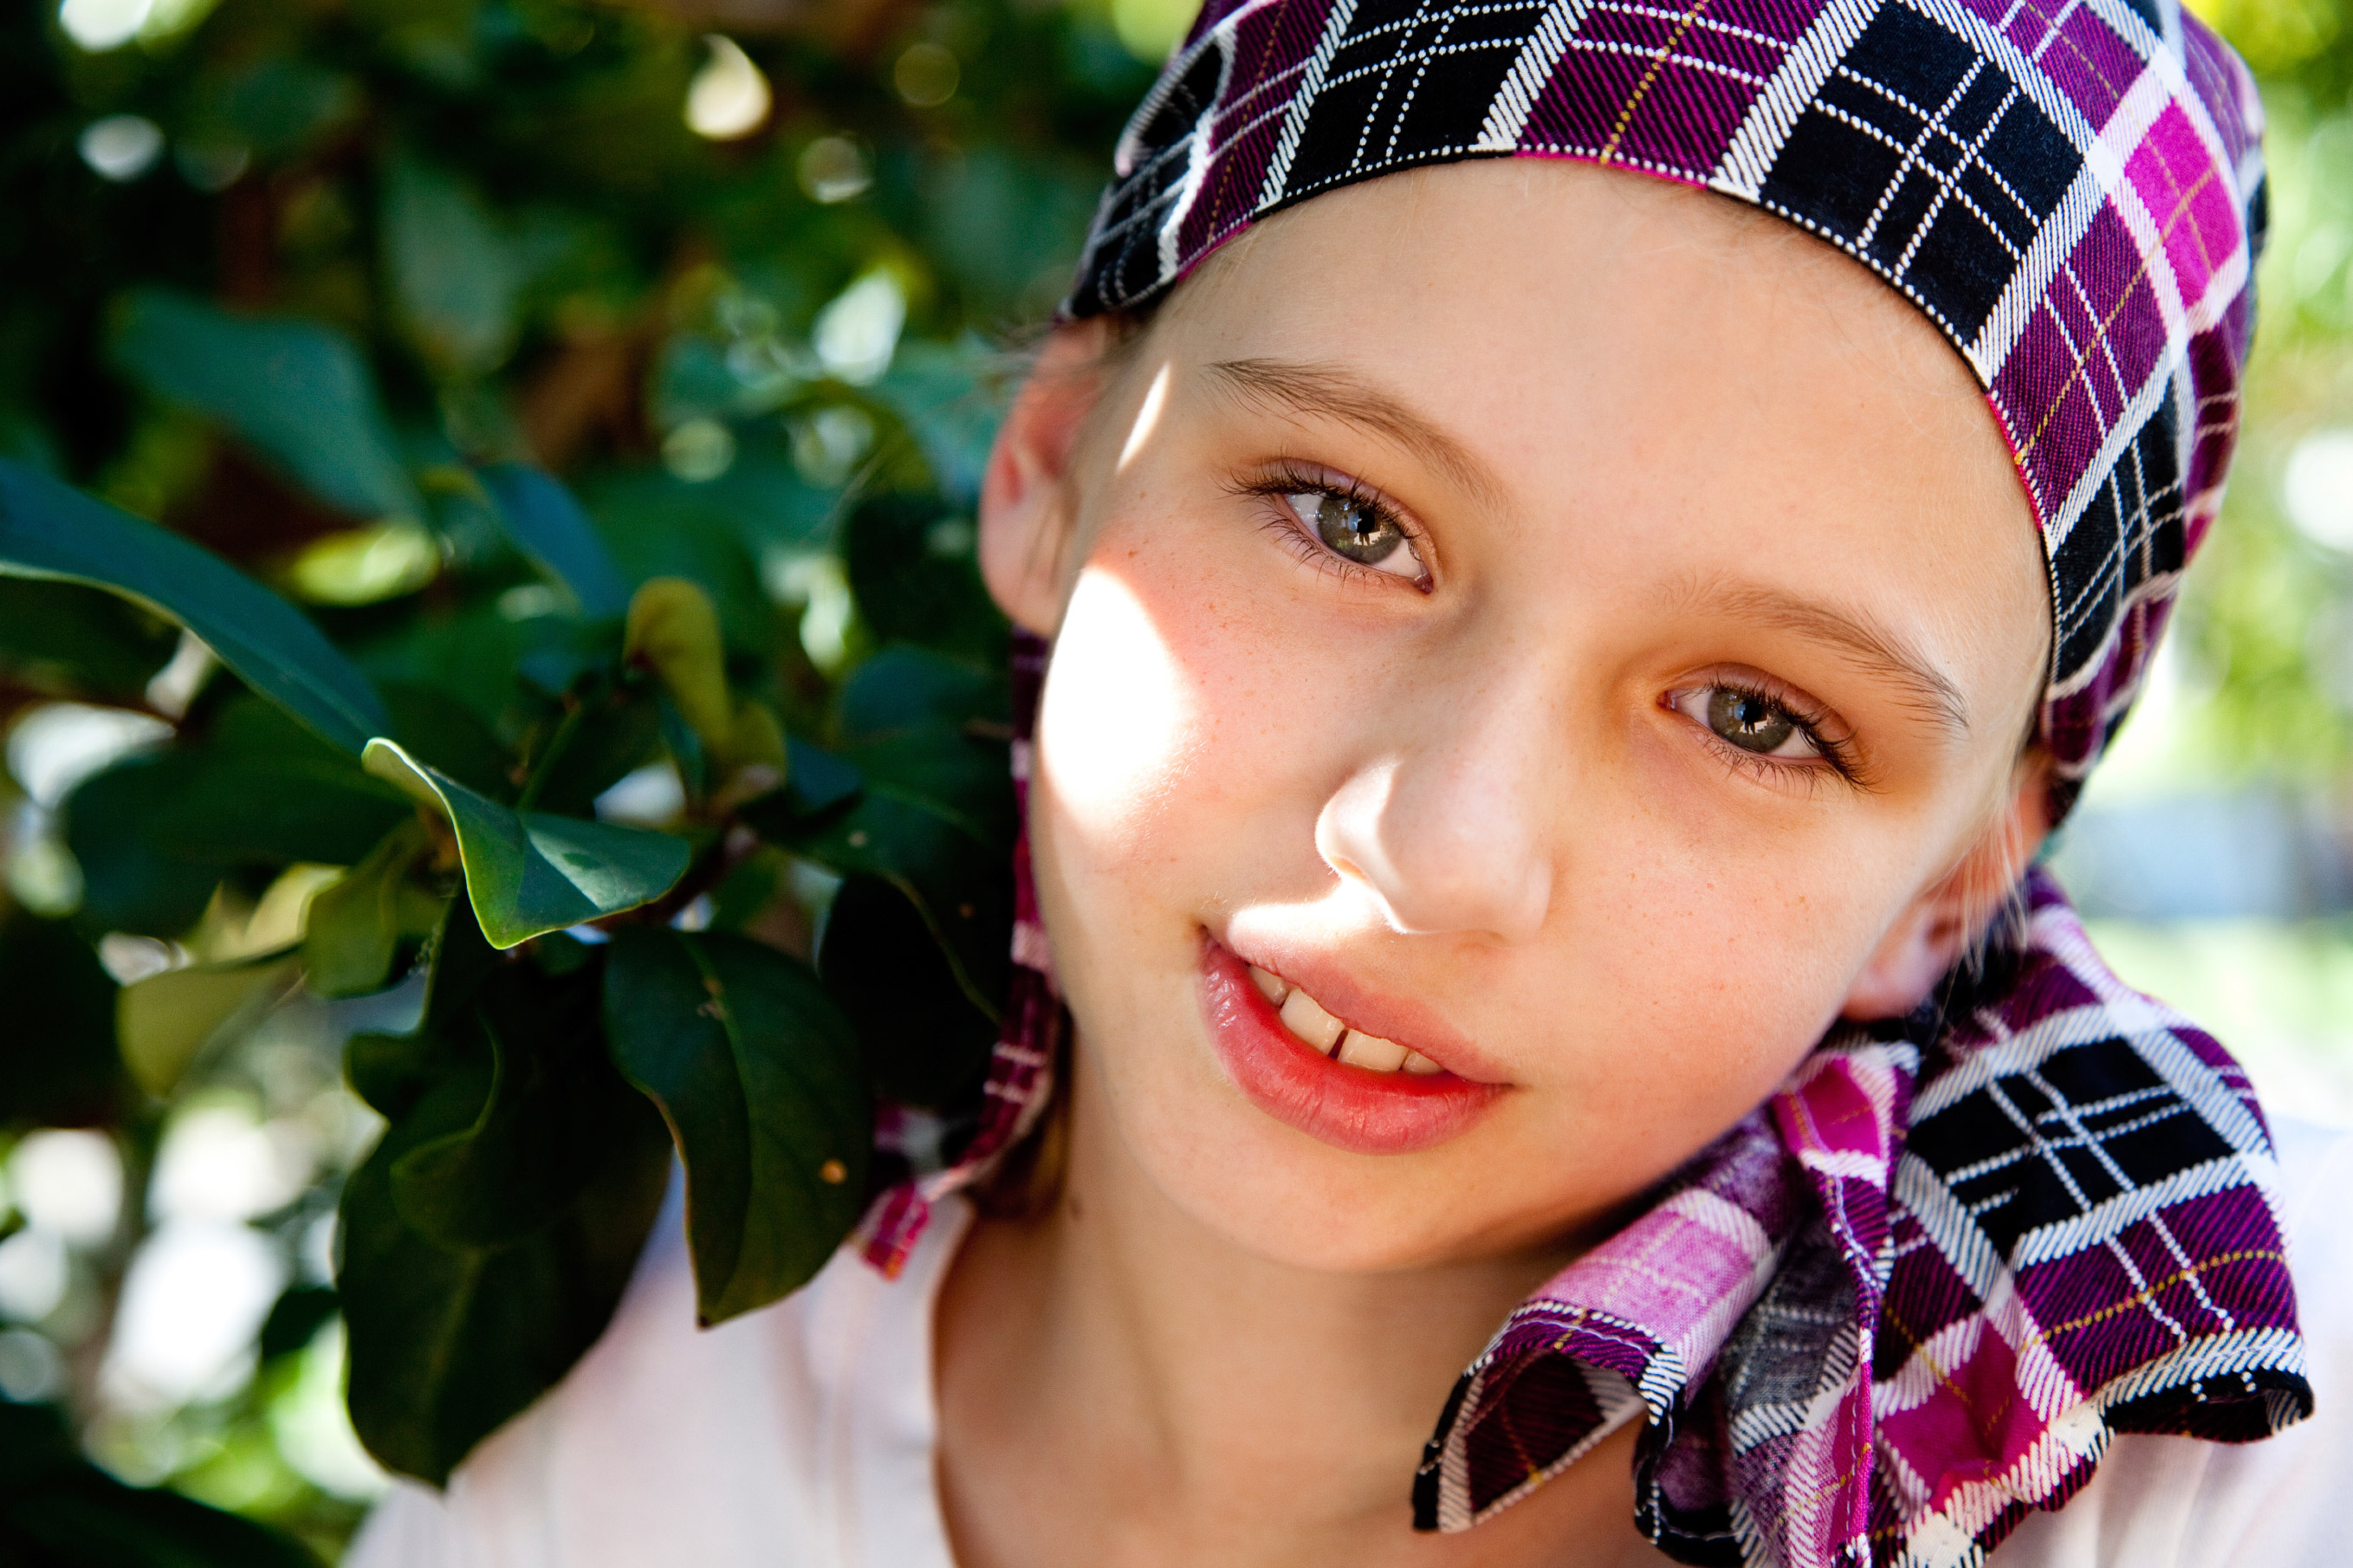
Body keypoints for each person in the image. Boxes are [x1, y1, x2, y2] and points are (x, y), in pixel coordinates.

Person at [345, 0, 2350, 1563]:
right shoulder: (595, 1454)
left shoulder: (2213, 1462)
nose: (1432, 849)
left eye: (1755, 714)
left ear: (1957, 879)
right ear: (1045, 464)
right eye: (1344, 516)